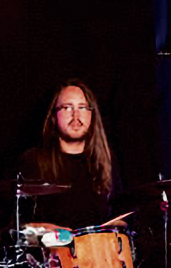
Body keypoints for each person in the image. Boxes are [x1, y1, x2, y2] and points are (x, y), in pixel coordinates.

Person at [18, 78, 120, 231]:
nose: (76, 115)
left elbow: (120, 214)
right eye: (67, 107)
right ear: (54, 115)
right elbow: (18, 227)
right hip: (50, 246)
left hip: (97, 245)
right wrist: (43, 230)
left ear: (92, 115)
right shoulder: (32, 161)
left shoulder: (105, 160)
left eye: (82, 107)